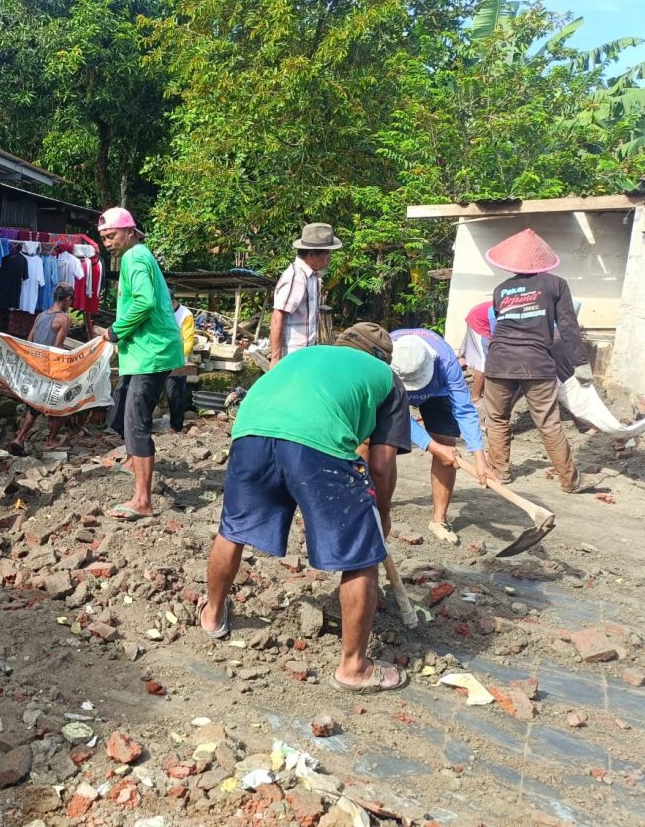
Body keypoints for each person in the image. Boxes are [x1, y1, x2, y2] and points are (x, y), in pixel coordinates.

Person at [199, 322, 412, 693]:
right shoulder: (386, 378)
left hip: (250, 433)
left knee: (232, 529)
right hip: (316, 445)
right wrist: (383, 514)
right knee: (361, 557)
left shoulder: (306, 356)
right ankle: (354, 667)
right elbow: (380, 464)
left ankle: (212, 614)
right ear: (382, 358)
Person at [481, 229, 595, 492]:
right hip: (536, 362)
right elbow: (567, 325)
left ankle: (499, 472)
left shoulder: (501, 289)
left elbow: (501, 323)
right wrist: (581, 362)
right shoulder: (556, 284)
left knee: (497, 418)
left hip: (499, 362)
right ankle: (570, 481)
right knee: (548, 422)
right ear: (542, 259)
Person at [93, 206, 185, 520]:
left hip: (151, 352)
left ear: (130, 231)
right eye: (104, 237)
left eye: (112, 235)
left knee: (136, 420)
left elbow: (144, 302)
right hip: (148, 351)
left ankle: (142, 500)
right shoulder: (140, 255)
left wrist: (115, 331)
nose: (107, 242)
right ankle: (134, 461)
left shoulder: (133, 257)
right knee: (127, 404)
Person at [389, 329, 497, 544]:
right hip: (393, 389)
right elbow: (398, 416)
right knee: (383, 447)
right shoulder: (382, 361)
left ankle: (439, 519)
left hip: (437, 391)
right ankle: (375, 502)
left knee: (447, 445)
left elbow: (465, 410)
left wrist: (480, 459)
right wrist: (430, 446)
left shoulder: (446, 363)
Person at [7, 283, 76, 454]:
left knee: (36, 406)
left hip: (35, 367)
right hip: (51, 367)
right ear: (67, 299)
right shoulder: (64, 319)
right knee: (64, 403)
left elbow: (29, 341)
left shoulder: (40, 316)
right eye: (71, 301)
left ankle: (20, 438)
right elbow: (57, 346)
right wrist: (75, 355)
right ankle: (51, 440)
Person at [268, 222, 342, 365]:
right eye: (326, 254)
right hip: (291, 354)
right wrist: (275, 358)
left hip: (305, 352)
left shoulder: (312, 276)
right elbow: (278, 317)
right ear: (311, 255)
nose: (328, 258)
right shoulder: (296, 277)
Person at [164, 292, 196, 432]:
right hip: (160, 357)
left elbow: (188, 340)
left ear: (173, 301)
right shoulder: (162, 310)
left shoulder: (185, 315)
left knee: (175, 393)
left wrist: (179, 356)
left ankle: (176, 426)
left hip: (177, 359)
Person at [461, 300, 493, 403]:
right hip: (478, 322)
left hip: (478, 318)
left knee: (474, 356)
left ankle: (483, 392)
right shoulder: (503, 307)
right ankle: (475, 397)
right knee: (482, 361)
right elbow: (495, 330)